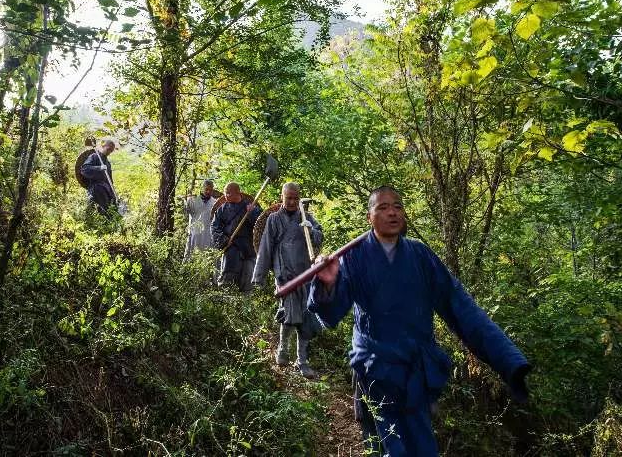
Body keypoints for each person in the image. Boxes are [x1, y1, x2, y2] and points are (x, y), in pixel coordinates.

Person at [309, 186, 531, 456]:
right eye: (383, 207)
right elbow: (331, 311)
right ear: (369, 217)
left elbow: (461, 307)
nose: (392, 212)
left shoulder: (420, 256)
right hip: (375, 371)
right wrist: (328, 283)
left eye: (398, 206)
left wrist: (508, 360)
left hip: (416, 373)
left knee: (422, 447)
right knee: (388, 448)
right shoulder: (353, 257)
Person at [252, 182, 324, 378]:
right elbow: (266, 247)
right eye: (288, 198)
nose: (292, 202)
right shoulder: (274, 219)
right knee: (290, 313)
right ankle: (282, 350)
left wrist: (311, 230)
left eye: (295, 198)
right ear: (282, 198)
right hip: (285, 274)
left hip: (305, 274)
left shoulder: (306, 217)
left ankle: (302, 360)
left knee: (306, 316)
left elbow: (319, 239)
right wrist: (259, 276)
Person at [211, 182, 262, 293]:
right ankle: (227, 306)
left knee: (247, 283)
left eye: (228, 193)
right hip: (230, 250)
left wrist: (252, 213)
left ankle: (245, 307)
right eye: (225, 193)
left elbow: (261, 225)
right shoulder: (221, 210)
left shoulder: (251, 206)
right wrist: (223, 240)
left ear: (237, 193)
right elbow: (215, 227)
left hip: (248, 250)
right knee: (227, 282)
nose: (225, 196)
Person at [80, 138, 117, 216]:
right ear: (103, 146)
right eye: (108, 149)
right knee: (99, 211)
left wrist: (113, 193)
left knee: (112, 209)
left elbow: (110, 181)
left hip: (107, 190)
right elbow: (84, 169)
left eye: (111, 151)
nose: (109, 152)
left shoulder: (108, 164)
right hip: (96, 189)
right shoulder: (94, 156)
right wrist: (99, 168)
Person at [183, 180, 218, 261]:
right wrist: (186, 200)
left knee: (206, 257)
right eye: (206, 189)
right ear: (202, 188)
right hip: (195, 232)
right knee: (192, 255)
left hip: (208, 234)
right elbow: (185, 212)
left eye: (210, 190)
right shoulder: (193, 200)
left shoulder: (215, 202)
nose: (208, 191)